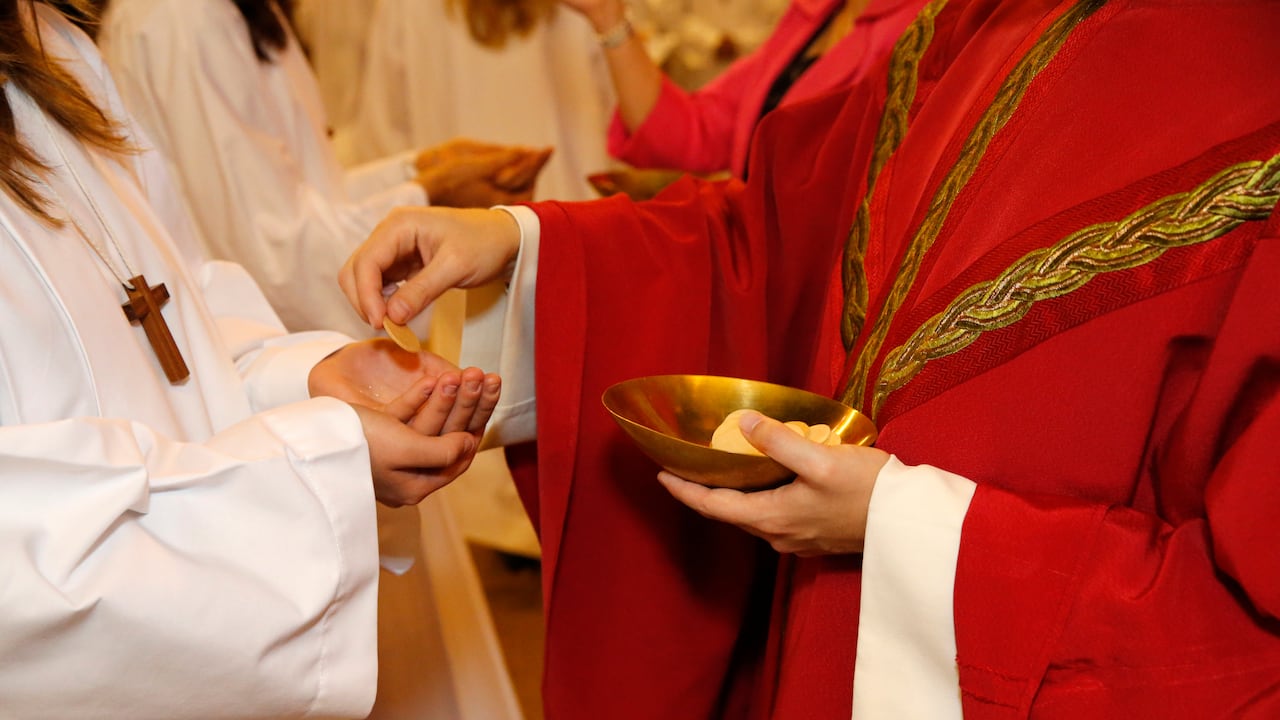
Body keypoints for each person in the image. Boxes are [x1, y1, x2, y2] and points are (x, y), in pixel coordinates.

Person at [340, 0, 1280, 717]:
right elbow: (779, 234)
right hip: (825, 634)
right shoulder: (988, 20)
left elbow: (1242, 629)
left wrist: (903, 527)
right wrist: (529, 244)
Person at [0, 2, 501, 717]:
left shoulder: (52, 44)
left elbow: (178, 302)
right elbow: (29, 554)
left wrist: (299, 381)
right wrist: (315, 461)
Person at [95, 0, 551, 341]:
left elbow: (301, 187)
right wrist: (427, 197)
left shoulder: (235, 9)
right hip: (246, 341)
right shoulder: (181, 17)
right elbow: (268, 254)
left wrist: (422, 173)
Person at [562, 0, 928, 177]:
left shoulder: (923, 23)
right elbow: (695, 133)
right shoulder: (814, 16)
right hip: (767, 280)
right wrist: (607, 17)